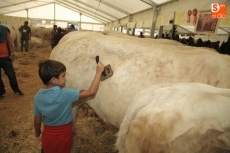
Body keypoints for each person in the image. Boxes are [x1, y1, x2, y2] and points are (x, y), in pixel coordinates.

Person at [34, 59, 104, 153]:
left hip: (48, 135)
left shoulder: (37, 97)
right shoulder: (65, 94)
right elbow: (91, 92)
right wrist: (98, 72)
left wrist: (37, 132)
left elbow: (37, 121)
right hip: (64, 134)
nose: (65, 78)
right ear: (54, 80)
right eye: (63, 76)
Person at [0, 25, 24, 100]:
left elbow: (10, 42)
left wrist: (12, 54)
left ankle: (16, 90)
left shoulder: (3, 30)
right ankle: (1, 92)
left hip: (5, 57)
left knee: (11, 75)